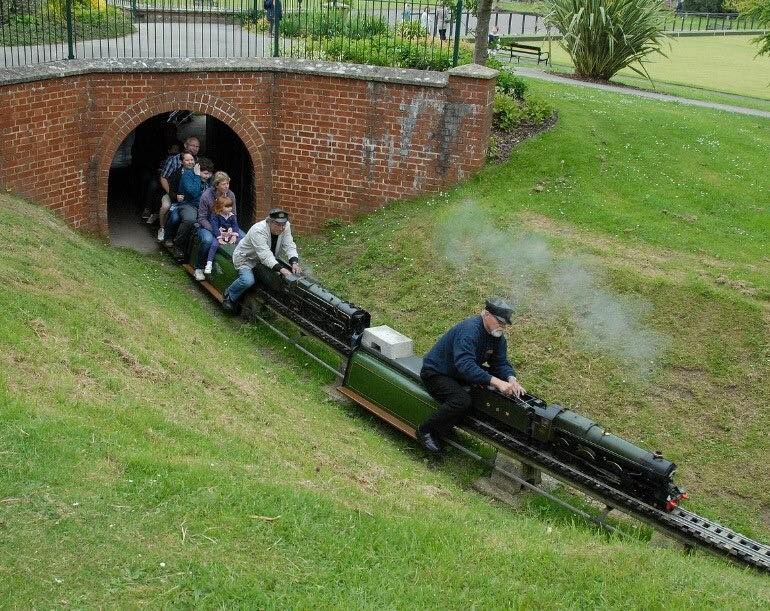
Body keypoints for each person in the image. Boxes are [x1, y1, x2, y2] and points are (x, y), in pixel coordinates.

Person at [416, 297, 525, 453]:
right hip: (437, 372)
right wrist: (497, 382)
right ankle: (426, 430)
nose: (501, 327)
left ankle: (445, 430)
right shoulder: (470, 331)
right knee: (462, 400)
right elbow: (465, 365)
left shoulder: (497, 337)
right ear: (487, 314)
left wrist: (511, 379)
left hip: (459, 375)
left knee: (483, 392)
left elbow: (500, 363)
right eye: (499, 322)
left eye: (504, 324)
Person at [222, 208, 301, 313]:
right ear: (269, 221)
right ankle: (229, 295)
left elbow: (289, 245)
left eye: (283, 225)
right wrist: (282, 270)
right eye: (277, 225)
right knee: (247, 280)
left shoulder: (285, 227)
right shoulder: (258, 230)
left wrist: (294, 262)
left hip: (268, 259)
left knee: (277, 281)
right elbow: (265, 255)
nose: (281, 228)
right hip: (247, 259)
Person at [195, 171, 244, 281]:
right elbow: (201, 218)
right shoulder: (206, 196)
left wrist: (233, 231)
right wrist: (216, 231)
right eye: (223, 184)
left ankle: (240, 269)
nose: (226, 186)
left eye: (227, 183)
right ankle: (199, 267)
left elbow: (234, 214)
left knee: (244, 238)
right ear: (216, 185)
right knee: (207, 240)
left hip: (227, 225)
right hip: (208, 225)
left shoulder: (231, 195)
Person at [157, 136, 200, 239]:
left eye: (197, 146)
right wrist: (174, 195)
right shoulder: (175, 164)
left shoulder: (198, 163)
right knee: (166, 207)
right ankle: (162, 228)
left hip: (189, 199)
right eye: (192, 145)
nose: (194, 148)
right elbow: (163, 178)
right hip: (173, 192)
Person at [172, 157, 214, 259]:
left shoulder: (210, 179)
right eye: (205, 173)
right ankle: (178, 245)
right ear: (198, 170)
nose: (207, 176)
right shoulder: (188, 175)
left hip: (204, 207)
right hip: (188, 204)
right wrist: (197, 176)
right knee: (190, 219)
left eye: (209, 174)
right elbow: (193, 192)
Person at [204, 195, 242, 276]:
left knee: (241, 242)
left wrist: (234, 235)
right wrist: (220, 238)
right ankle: (209, 263)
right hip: (220, 234)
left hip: (230, 234)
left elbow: (235, 226)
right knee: (214, 245)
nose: (230, 208)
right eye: (227, 207)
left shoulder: (232, 216)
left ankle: (242, 261)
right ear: (220, 207)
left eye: (230, 206)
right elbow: (214, 227)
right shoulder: (216, 215)